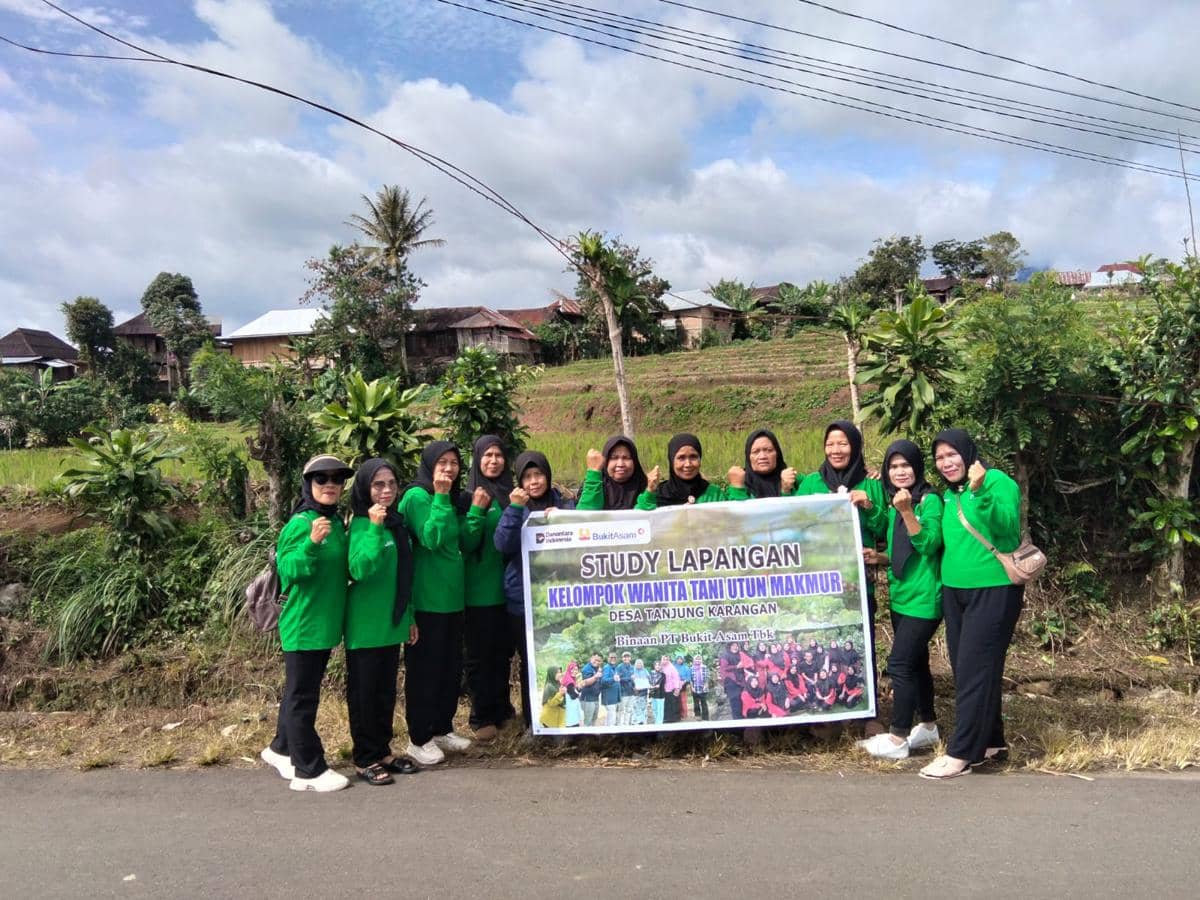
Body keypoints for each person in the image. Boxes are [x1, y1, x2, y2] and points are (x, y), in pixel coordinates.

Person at [921, 430, 1023, 780]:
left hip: (993, 590)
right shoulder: (950, 495)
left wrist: (981, 491)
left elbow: (1008, 527)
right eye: (940, 458)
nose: (947, 462)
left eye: (952, 455)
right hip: (955, 592)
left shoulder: (996, 481)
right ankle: (992, 742)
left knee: (973, 670)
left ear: (967, 454)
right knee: (974, 670)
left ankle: (961, 753)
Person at [261, 454, 354, 793]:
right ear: (308, 485)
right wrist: (313, 544)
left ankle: (280, 749)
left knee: (299, 692)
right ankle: (308, 769)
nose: (330, 484)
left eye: (336, 479)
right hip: (303, 623)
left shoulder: (337, 524)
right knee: (303, 697)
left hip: (324, 624)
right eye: (321, 479)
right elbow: (290, 571)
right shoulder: (301, 524)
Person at [859, 439, 944, 761]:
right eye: (893, 466)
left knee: (899, 664)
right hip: (901, 596)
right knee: (918, 663)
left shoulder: (928, 500)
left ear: (917, 467)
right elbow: (891, 535)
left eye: (905, 465)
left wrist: (907, 510)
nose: (900, 471)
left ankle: (897, 737)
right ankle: (928, 724)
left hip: (924, 598)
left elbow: (929, 544)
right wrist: (882, 556)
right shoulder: (897, 501)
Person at [344, 458, 420, 786]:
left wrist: (410, 617)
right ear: (364, 488)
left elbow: (404, 576)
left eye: (391, 484)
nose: (386, 490)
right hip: (365, 626)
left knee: (386, 692)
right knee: (364, 694)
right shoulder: (361, 526)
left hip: (392, 622)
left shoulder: (397, 523)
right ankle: (364, 758)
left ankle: (383, 750)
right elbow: (360, 569)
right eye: (378, 484)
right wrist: (375, 528)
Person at [398, 441, 474, 767]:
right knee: (424, 672)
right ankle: (419, 738)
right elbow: (431, 538)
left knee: (449, 669)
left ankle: (442, 726)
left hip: (452, 600)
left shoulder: (452, 499)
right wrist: (442, 497)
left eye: (454, 463)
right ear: (429, 465)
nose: (448, 469)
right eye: (441, 463)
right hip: (427, 601)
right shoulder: (417, 497)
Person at [493, 450, 574, 729]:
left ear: (547, 475)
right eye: (527, 477)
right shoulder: (516, 508)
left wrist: (563, 518)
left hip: (561, 600)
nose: (534, 481)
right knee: (531, 663)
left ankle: (565, 722)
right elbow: (503, 544)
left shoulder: (566, 504)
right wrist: (515, 510)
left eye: (538, 474)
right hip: (523, 600)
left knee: (561, 660)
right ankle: (533, 723)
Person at [462, 435, 516, 743]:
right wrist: (477, 511)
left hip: (506, 590)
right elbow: (466, 544)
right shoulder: (469, 496)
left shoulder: (512, 493)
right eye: (487, 455)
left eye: (498, 455)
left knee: (502, 653)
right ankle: (481, 714)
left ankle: (502, 708)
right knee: (480, 655)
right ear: (478, 459)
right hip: (479, 591)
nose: (493, 461)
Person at [642, 433, 728, 508]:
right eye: (681, 458)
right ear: (672, 461)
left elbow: (733, 519)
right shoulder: (657, 495)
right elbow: (639, 519)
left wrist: (737, 488)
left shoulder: (715, 494)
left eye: (693, 457)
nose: (688, 464)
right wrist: (649, 491)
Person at [576, 436, 656, 511]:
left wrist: (649, 493)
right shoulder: (592, 484)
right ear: (605, 461)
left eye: (626, 458)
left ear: (634, 461)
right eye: (614, 458)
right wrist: (593, 473)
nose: (620, 464)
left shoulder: (646, 486)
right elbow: (585, 517)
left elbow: (643, 519)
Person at [727, 429, 798, 500]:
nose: (763, 456)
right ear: (748, 457)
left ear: (777, 454)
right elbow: (736, 510)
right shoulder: (739, 482)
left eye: (769, 450)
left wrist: (786, 490)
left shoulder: (794, 480)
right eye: (756, 452)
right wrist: (738, 489)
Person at [719, 641, 753, 719]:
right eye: (734, 645)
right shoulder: (725, 655)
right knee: (735, 704)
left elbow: (748, 663)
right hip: (731, 682)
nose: (736, 647)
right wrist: (736, 666)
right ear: (730, 646)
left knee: (743, 702)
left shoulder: (740, 654)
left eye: (737, 645)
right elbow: (724, 668)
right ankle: (737, 723)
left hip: (742, 682)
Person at [579, 653, 604, 726]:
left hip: (595, 699)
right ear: (591, 658)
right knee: (588, 721)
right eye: (595, 659)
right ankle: (586, 737)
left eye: (599, 661)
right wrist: (596, 676)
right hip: (587, 699)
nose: (597, 662)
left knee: (594, 719)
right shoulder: (586, 668)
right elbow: (585, 682)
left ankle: (592, 736)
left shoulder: (597, 669)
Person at [601, 651, 621, 726]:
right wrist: (613, 679)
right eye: (611, 657)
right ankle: (610, 734)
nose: (613, 659)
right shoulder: (607, 668)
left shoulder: (615, 668)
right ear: (608, 658)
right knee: (611, 718)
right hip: (609, 697)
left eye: (614, 658)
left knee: (610, 717)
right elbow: (603, 681)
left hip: (614, 697)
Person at [660, 655, 683, 724]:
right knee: (666, 704)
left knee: (673, 704)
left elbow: (676, 678)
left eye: (667, 659)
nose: (665, 661)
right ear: (661, 660)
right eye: (664, 659)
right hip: (663, 689)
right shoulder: (661, 667)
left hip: (672, 688)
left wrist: (677, 688)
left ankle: (674, 718)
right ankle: (666, 718)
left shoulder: (672, 667)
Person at [616, 651, 636, 726]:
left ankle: (626, 725)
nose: (626, 658)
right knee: (621, 710)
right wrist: (629, 678)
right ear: (622, 658)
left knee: (629, 710)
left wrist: (635, 684)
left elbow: (634, 679)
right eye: (624, 657)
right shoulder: (619, 667)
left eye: (628, 657)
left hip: (631, 692)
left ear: (630, 658)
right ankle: (620, 725)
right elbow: (618, 679)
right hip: (623, 692)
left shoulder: (632, 667)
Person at [562, 661, 583, 727]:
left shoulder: (569, 678)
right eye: (573, 669)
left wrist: (578, 689)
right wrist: (579, 690)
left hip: (570, 710)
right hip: (571, 712)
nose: (575, 671)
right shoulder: (569, 682)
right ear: (569, 669)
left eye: (576, 670)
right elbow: (573, 696)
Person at [690, 653, 710, 721]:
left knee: (704, 702)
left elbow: (707, 677)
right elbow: (690, 679)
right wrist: (692, 687)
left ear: (701, 660)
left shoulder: (704, 667)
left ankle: (705, 717)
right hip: (695, 687)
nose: (698, 660)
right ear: (694, 660)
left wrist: (705, 685)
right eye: (696, 659)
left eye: (699, 659)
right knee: (696, 703)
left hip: (703, 687)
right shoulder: (692, 668)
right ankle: (698, 715)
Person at [631, 658, 651, 725]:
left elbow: (649, 679)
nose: (639, 664)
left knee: (643, 707)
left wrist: (647, 679)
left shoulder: (645, 671)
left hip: (644, 692)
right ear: (635, 664)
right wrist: (633, 686)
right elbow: (631, 681)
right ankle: (636, 721)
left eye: (640, 663)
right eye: (637, 663)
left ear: (642, 664)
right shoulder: (633, 671)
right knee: (636, 707)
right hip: (635, 692)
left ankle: (643, 721)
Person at [674, 654, 692, 720]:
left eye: (680, 659)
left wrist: (684, 681)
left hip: (683, 684)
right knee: (676, 700)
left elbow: (688, 677)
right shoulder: (674, 667)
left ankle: (684, 714)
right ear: (676, 660)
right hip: (675, 685)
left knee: (683, 700)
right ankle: (678, 714)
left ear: (683, 660)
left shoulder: (686, 667)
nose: (679, 660)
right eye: (678, 659)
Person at [648, 659, 666, 725]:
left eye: (659, 665)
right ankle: (656, 721)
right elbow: (649, 682)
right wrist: (650, 686)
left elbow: (660, 684)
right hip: (653, 694)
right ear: (654, 666)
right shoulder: (650, 673)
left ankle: (659, 723)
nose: (657, 666)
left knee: (660, 710)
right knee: (654, 709)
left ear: (661, 666)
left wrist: (655, 686)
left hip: (660, 694)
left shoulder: (663, 674)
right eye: (656, 665)